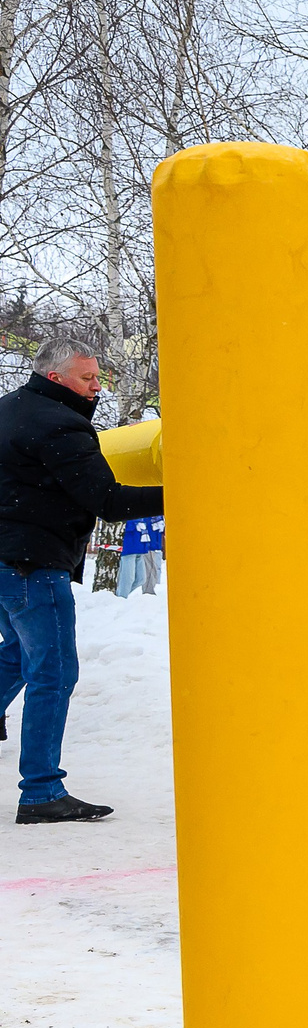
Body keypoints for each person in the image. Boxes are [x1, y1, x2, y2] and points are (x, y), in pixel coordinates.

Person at [0, 337, 163, 824]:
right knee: (53, 673)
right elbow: (108, 501)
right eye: (88, 378)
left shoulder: (10, 408)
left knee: (19, 652)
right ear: (57, 379)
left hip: (6, 559)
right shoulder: (60, 426)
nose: (97, 387)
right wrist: (190, 490)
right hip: (33, 563)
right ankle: (42, 792)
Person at [114, 513, 164, 597]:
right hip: (129, 546)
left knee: (141, 579)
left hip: (141, 546)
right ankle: (121, 598)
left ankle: (120, 596)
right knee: (128, 579)